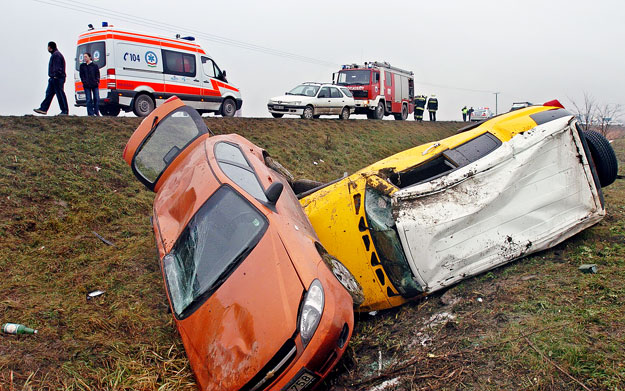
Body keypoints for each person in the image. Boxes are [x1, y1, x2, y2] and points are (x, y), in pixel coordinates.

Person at [34, 41, 69, 115]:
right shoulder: (55, 54)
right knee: (49, 94)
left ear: (50, 47)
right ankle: (43, 109)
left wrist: (56, 75)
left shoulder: (56, 55)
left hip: (57, 78)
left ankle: (64, 111)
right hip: (53, 78)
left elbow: (57, 67)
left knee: (60, 94)